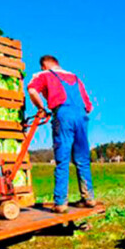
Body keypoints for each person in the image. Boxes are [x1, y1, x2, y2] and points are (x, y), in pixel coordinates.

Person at [28, 55, 96, 213]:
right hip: (81, 117)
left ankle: (60, 203)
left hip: (63, 115)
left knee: (62, 160)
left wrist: (41, 107)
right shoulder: (75, 78)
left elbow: (32, 90)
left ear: (44, 66)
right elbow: (89, 106)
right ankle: (89, 198)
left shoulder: (44, 74)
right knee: (82, 160)